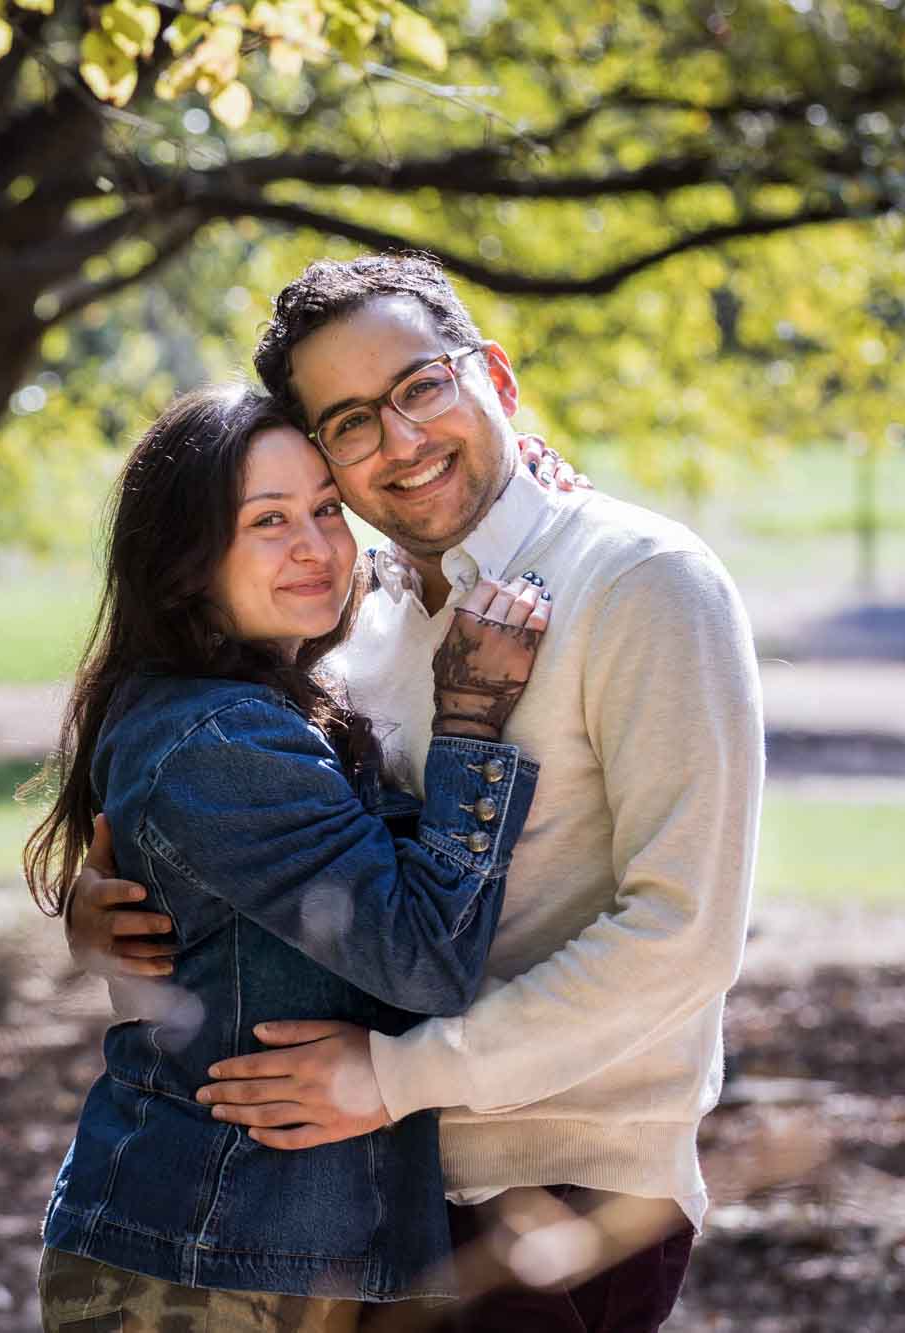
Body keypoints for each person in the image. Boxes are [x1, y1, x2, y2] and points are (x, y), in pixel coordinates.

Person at [66, 254, 765, 1332]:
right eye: (348, 422)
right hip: (359, 1207)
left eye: (421, 386)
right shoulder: (355, 620)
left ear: (494, 376)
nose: (397, 439)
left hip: (553, 1190)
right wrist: (119, 912)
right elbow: (284, 861)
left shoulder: (640, 583)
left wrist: (398, 1078)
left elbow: (685, 935)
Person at [28, 383, 556, 1327]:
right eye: (269, 520)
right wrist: (472, 720)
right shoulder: (222, 737)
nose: (317, 546)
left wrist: (517, 500)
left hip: (257, 1243)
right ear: (185, 563)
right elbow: (425, 957)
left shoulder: (259, 697)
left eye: (325, 509)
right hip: (203, 1260)